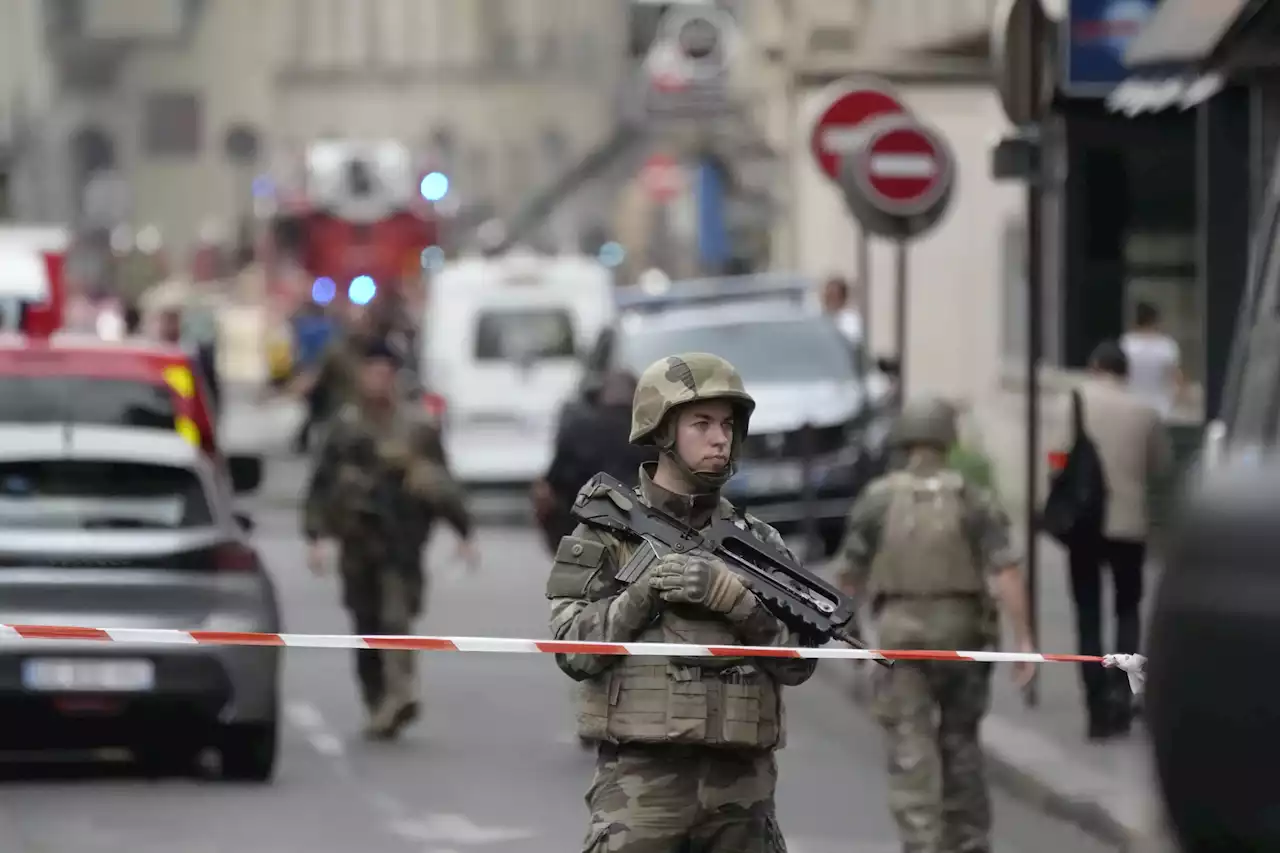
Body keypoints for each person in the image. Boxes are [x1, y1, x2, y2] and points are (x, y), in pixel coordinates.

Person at [546, 352, 816, 853]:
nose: (721, 438)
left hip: (742, 791)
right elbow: (571, 649)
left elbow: (799, 665)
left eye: (729, 425)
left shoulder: (758, 545)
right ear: (662, 430)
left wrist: (740, 605)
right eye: (702, 423)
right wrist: (643, 594)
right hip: (642, 787)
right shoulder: (607, 534)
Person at [833, 396, 1035, 853]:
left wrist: (853, 635)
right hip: (963, 638)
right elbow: (1005, 571)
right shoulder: (971, 497)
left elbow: (849, 572)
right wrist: (1024, 641)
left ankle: (923, 843)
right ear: (948, 438)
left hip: (901, 641)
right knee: (961, 744)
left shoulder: (879, 498)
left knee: (911, 750)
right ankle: (968, 841)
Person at [303, 337, 479, 739]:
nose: (378, 380)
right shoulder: (345, 425)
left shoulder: (417, 426)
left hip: (401, 539)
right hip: (357, 540)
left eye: (386, 372)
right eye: (372, 372)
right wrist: (315, 537)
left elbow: (441, 482)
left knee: (396, 618)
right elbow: (321, 483)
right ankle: (376, 699)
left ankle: (401, 693)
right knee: (365, 623)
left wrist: (463, 531)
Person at [1051, 341, 1172, 739]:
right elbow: (1161, 467)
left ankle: (1095, 703)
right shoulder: (1145, 412)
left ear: (1094, 366)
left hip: (1085, 524)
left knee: (1087, 611)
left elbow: (1056, 458)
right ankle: (1122, 693)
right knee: (1128, 610)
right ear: (1126, 372)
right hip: (1129, 525)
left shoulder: (1074, 402)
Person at [532, 370, 657, 553]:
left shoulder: (577, 428)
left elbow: (552, 482)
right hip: (644, 532)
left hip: (585, 530)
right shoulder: (653, 433)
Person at [1120, 301, 1183, 420]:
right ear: (1155, 320)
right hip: (1160, 411)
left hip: (1130, 408)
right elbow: (1177, 379)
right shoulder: (1167, 346)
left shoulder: (1125, 344)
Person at [820, 274, 864, 343]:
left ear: (842, 298)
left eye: (833, 296)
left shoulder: (850, 320)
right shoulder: (821, 317)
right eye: (827, 296)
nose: (829, 301)